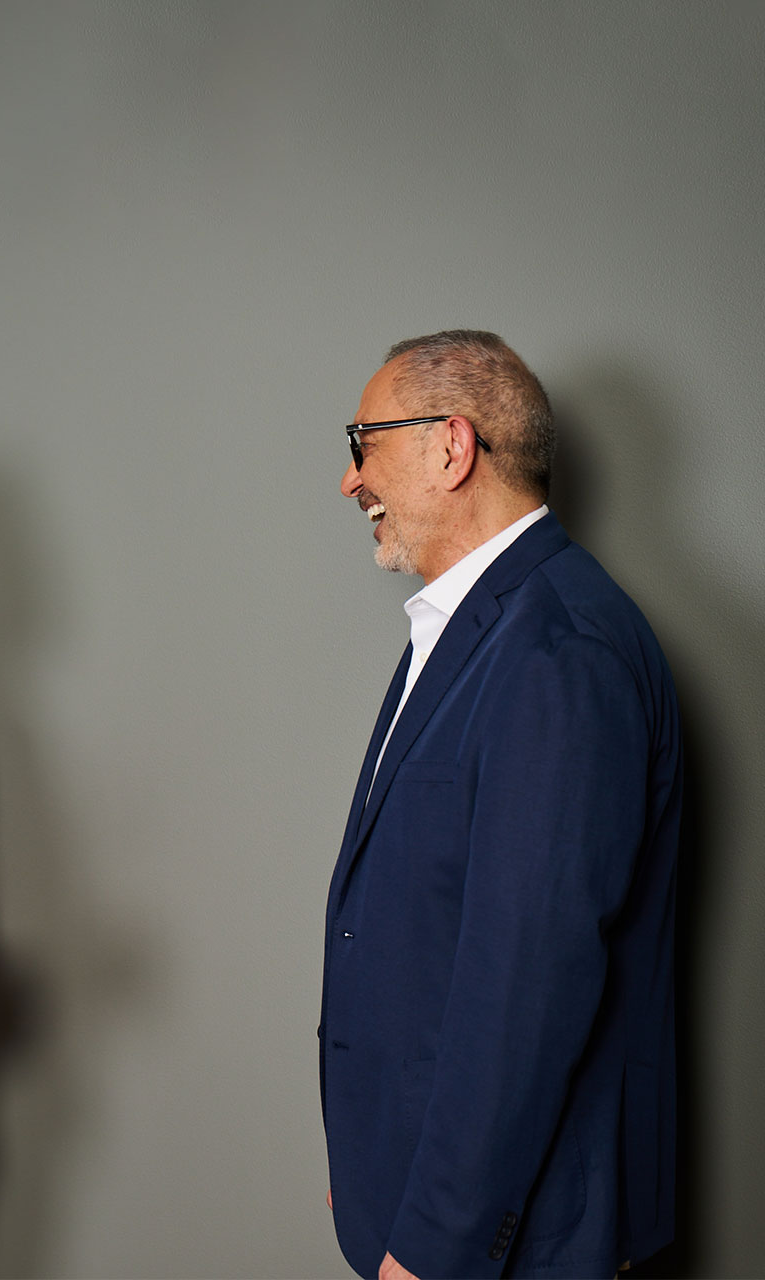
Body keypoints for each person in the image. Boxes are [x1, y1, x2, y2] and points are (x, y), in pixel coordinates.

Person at [321, 331, 681, 1279]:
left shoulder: (559, 651)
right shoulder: (478, 626)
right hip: (426, 1193)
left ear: (452, 444)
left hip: (511, 1235)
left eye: (363, 442)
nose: (349, 481)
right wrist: (368, 1160)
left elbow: (527, 987)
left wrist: (435, 1239)